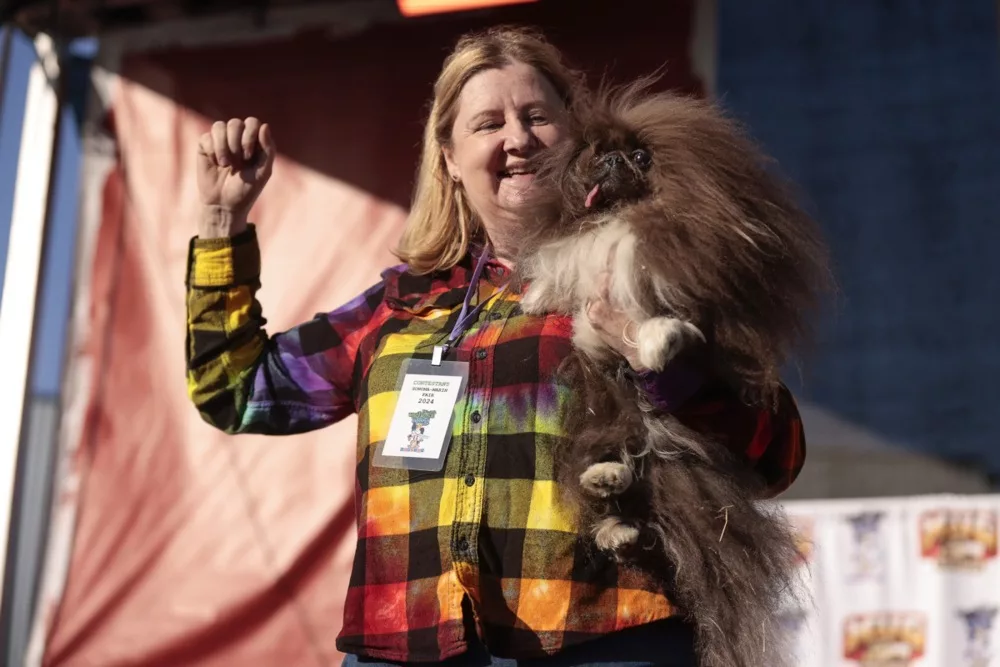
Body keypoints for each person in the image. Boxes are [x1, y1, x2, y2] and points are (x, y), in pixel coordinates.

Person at [186, 25, 806, 667]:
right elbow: (232, 389)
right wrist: (220, 222)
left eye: (537, 116)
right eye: (488, 123)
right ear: (450, 159)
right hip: (406, 645)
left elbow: (777, 450)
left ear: (577, 134)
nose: (517, 138)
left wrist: (656, 363)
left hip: (601, 641)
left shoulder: (636, 271)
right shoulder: (400, 305)